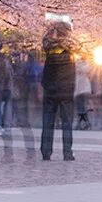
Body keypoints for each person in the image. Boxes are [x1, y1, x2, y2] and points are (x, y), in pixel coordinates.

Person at [40, 20, 75, 161]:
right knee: (67, 123)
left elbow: (45, 41)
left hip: (50, 88)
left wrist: (51, 31)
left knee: (48, 122)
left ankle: (46, 151)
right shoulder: (71, 46)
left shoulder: (48, 47)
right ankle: (67, 152)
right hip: (66, 89)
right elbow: (78, 44)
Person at [74, 57, 92, 130]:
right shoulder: (77, 67)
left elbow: (85, 69)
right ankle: (85, 123)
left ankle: (82, 123)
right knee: (80, 106)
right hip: (79, 89)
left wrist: (79, 65)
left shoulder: (85, 66)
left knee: (81, 106)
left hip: (83, 89)